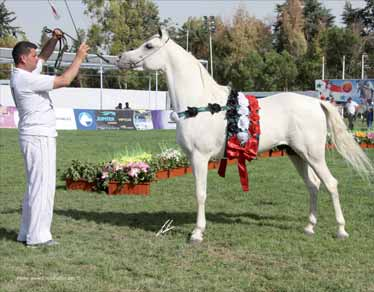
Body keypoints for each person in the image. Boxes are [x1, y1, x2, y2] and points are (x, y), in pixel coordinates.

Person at [10, 29, 89, 247]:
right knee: (42, 187)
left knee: (33, 186)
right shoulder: (26, 79)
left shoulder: (23, 73)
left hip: (33, 135)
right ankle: (38, 236)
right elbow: (65, 79)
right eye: (33, 55)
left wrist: (53, 39)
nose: (38, 58)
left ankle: (26, 232)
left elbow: (44, 56)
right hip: (39, 136)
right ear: (23, 58)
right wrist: (79, 57)